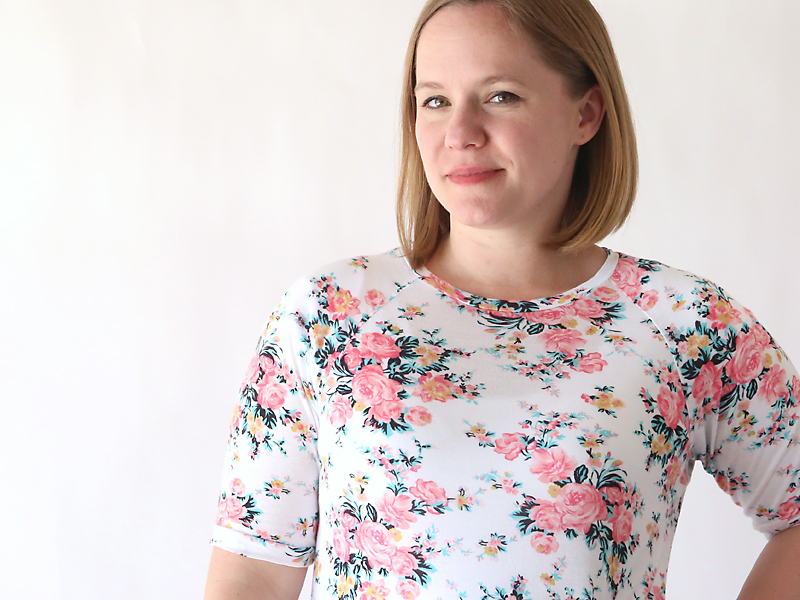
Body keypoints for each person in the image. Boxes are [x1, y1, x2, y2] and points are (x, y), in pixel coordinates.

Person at [204, 1, 800, 598]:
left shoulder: (686, 324)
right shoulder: (329, 315)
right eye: (434, 100)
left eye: (501, 96)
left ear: (586, 113)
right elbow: (252, 568)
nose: (459, 134)